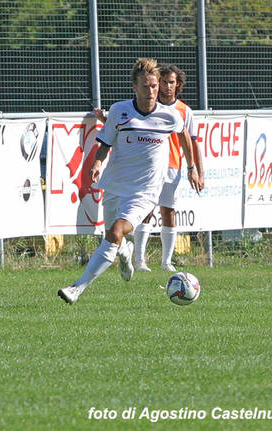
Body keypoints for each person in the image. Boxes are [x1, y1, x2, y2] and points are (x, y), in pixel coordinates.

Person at [59, 58, 202, 304]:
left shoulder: (169, 115)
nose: (152, 91)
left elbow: (185, 136)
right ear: (134, 87)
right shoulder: (119, 111)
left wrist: (192, 168)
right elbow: (105, 141)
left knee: (115, 231)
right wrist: (97, 163)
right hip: (115, 184)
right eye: (146, 86)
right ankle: (125, 250)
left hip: (145, 192)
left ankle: (77, 288)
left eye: (155, 86)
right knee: (111, 237)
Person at [96, 64, 204, 272]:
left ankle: (166, 262)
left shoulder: (181, 111)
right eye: (161, 82)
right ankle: (140, 260)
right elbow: (126, 126)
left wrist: (194, 169)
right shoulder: (138, 107)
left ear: (177, 84)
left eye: (169, 82)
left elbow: (190, 140)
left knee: (168, 212)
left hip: (172, 167)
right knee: (145, 213)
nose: (163, 87)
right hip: (146, 172)